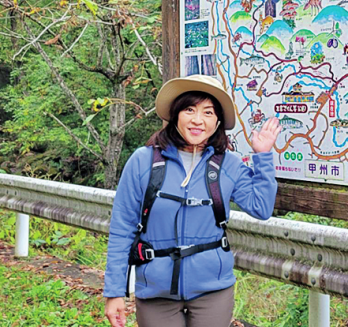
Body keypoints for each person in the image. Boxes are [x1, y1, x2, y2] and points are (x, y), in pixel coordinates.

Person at [103, 75, 280, 327]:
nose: (198, 120)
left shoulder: (227, 164)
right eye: (189, 110)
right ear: (175, 115)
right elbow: (122, 228)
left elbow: (261, 208)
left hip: (213, 290)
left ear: (217, 122)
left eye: (208, 112)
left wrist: (263, 157)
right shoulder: (143, 161)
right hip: (156, 291)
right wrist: (114, 292)